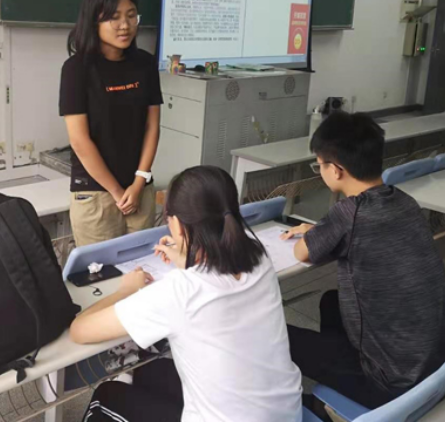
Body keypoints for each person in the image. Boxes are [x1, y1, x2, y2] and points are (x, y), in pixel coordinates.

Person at [70, 166, 303, 422]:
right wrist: (187, 259)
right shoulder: (258, 255)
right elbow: (214, 282)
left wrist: (126, 290)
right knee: (150, 370)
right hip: (286, 413)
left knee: (106, 394)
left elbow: (79, 331)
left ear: (178, 226)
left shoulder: (179, 291)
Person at [282, 111, 445, 410]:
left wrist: (316, 232)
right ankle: (341, 383)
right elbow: (362, 234)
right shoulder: (403, 200)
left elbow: (302, 252)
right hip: (439, 363)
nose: (320, 171)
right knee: (330, 301)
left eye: (319, 165)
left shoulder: (349, 213)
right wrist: (322, 231)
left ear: (336, 170)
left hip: (392, 382)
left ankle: (328, 407)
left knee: (277, 336)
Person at [59, 0, 162, 247]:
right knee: (102, 271)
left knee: (143, 267)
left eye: (131, 15)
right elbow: (79, 141)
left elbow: (152, 126)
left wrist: (139, 182)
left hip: (139, 188)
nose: (125, 25)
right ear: (94, 20)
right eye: (114, 18)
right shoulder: (76, 69)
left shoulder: (145, 64)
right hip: (96, 194)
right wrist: (117, 192)